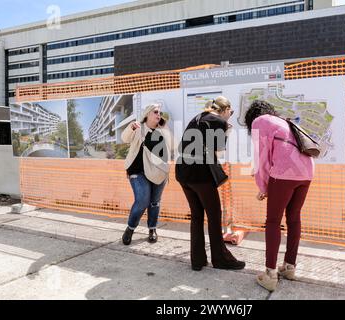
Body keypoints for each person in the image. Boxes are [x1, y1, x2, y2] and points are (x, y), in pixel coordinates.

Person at [244, 100, 315, 292]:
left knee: (273, 222)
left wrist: (262, 187)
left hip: (284, 173)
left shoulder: (259, 122)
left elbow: (262, 159)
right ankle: (289, 267)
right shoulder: (284, 122)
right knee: (294, 219)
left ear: (252, 117)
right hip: (307, 172)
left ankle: (270, 274)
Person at [175, 96, 246, 271]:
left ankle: (197, 260)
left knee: (197, 216)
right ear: (226, 109)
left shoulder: (198, 117)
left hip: (183, 170)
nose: (231, 115)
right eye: (231, 112)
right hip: (200, 174)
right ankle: (221, 259)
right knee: (214, 216)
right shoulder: (218, 121)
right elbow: (219, 150)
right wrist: (227, 129)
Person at [121, 103, 173, 246]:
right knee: (143, 200)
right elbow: (124, 138)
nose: (158, 115)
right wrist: (131, 127)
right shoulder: (139, 127)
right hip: (138, 171)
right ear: (147, 114)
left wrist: (166, 129)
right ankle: (130, 228)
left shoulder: (162, 131)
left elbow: (171, 147)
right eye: (155, 112)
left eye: (160, 113)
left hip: (158, 172)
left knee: (154, 202)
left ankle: (152, 229)